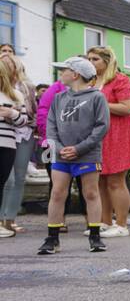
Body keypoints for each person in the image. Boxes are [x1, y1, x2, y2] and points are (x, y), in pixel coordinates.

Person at [38, 57, 109, 254]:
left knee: (91, 193)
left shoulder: (97, 97)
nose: (61, 74)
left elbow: (101, 127)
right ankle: (52, 238)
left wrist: (79, 148)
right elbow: (51, 126)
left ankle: (95, 236)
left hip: (88, 155)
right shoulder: (59, 98)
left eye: (64, 70)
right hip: (61, 156)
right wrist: (59, 148)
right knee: (57, 193)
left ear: (75, 74)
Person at [87, 46, 130, 237]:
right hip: (99, 135)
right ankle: (105, 221)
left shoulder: (120, 79)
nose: (91, 62)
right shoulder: (91, 81)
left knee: (116, 181)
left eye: (95, 59)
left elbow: (128, 108)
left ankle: (122, 225)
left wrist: (98, 103)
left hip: (119, 133)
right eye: (89, 59)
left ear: (106, 61)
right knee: (100, 180)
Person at [0, 44, 36, 236]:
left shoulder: (25, 88)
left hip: (21, 135)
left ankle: (10, 219)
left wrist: (13, 113)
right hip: (5, 136)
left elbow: (30, 113)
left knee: (17, 178)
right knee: (7, 179)